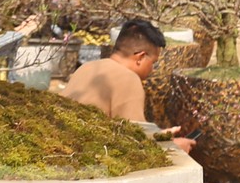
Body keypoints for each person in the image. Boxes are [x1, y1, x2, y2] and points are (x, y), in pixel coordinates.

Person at [60, 19, 195, 151]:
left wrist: (160, 136)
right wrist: (173, 147)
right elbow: (135, 145)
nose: (152, 69)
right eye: (153, 63)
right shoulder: (128, 79)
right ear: (140, 57)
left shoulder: (87, 68)